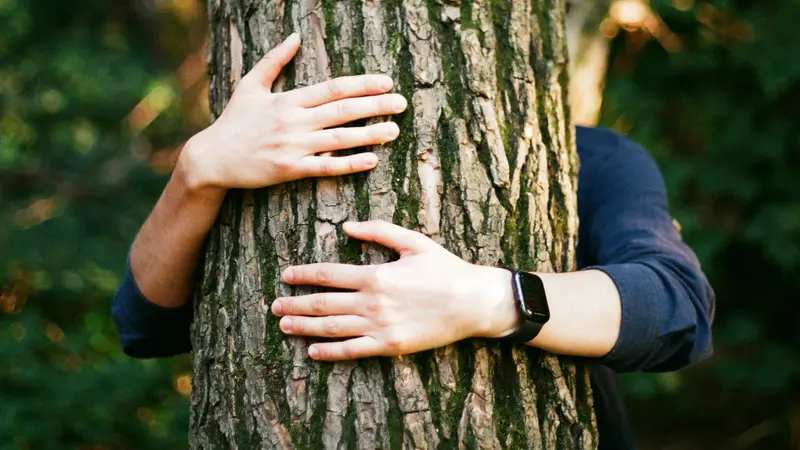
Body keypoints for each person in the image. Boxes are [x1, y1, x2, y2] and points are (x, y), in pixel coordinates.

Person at [111, 34, 715, 449]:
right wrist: (197, 169)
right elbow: (144, 325)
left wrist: (484, 300)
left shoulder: (591, 157)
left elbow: (677, 306)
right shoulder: (252, 141)